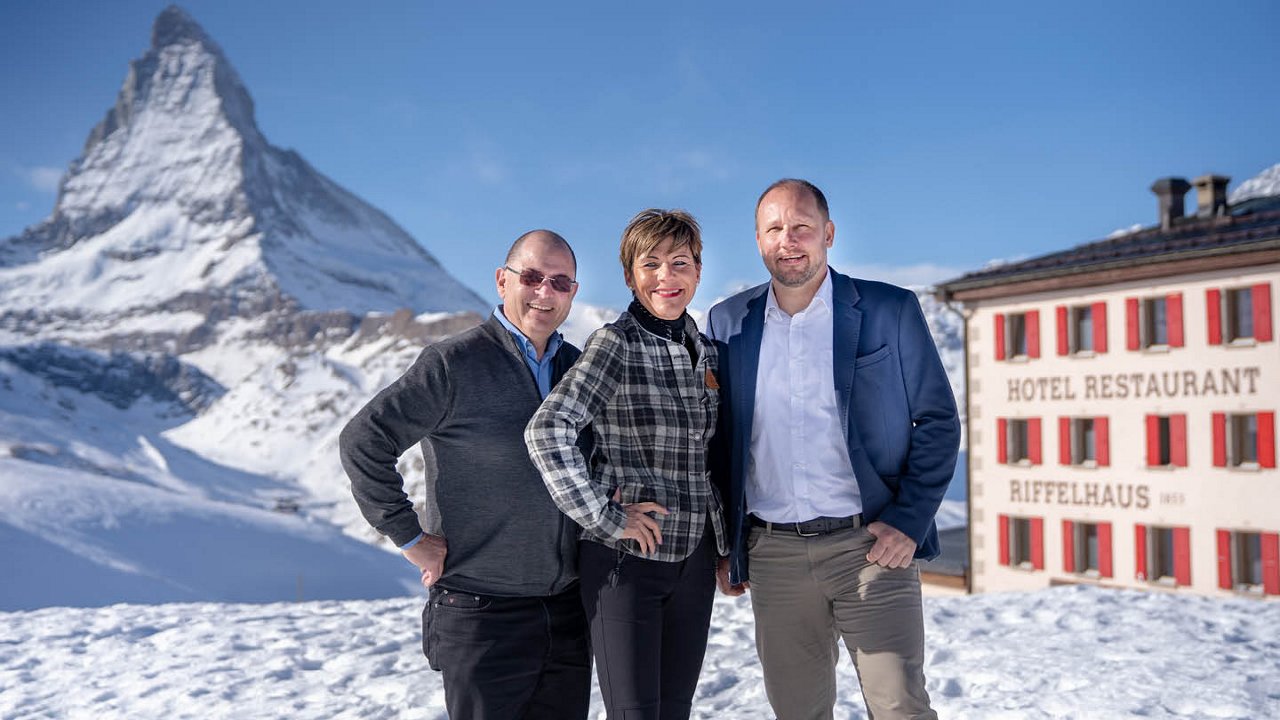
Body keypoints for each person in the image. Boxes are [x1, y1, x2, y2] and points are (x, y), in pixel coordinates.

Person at [706, 179, 960, 720]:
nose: (789, 240)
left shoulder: (889, 309)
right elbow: (722, 441)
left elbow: (936, 419)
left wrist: (909, 520)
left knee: (901, 709)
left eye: (802, 226)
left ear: (829, 233)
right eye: (775, 228)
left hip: (869, 545)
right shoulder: (728, 324)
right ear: (758, 239)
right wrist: (726, 543)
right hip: (772, 555)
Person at [339, 230, 592, 720]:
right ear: (503, 281)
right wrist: (410, 537)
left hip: (565, 611)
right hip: (481, 614)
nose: (545, 292)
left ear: (573, 294)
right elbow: (363, 441)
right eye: (533, 277)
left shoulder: (577, 369)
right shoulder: (454, 364)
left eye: (560, 282)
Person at [525, 209, 727, 720]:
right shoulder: (616, 344)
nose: (666, 277)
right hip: (626, 564)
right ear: (630, 276)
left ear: (698, 271)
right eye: (651, 264)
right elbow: (548, 430)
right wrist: (606, 516)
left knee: (674, 711)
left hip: (694, 564)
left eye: (679, 262)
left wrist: (725, 547)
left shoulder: (705, 353)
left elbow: (715, 456)